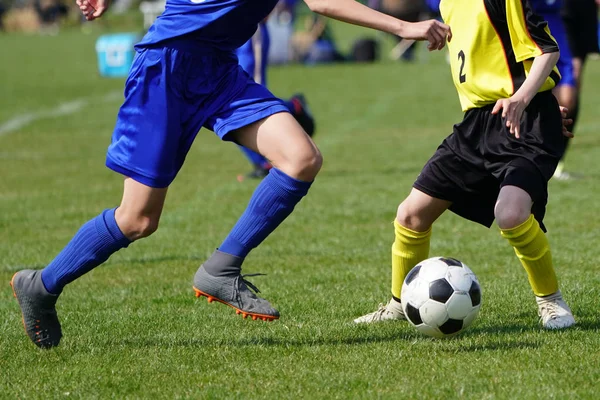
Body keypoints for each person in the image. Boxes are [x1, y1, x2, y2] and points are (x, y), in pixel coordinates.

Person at [10, 0, 452, 348]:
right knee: (138, 219)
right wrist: (404, 26)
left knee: (301, 159)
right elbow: (321, 3)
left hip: (218, 71)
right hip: (167, 68)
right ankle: (41, 286)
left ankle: (222, 267)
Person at [354, 0, 576, 329]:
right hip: (477, 125)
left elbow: (547, 50)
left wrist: (526, 99)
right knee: (411, 215)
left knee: (511, 213)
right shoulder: (447, 2)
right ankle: (399, 304)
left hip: (523, 122)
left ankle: (551, 301)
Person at [236, 21, 316, 181]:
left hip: (248, 28)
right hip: (224, 31)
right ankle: (293, 106)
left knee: (249, 99)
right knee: (231, 103)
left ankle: (264, 163)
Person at [553, 0, 600, 179]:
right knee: (566, 88)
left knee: (574, 88)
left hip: (584, 12)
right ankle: (544, 153)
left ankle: (558, 160)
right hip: (559, 12)